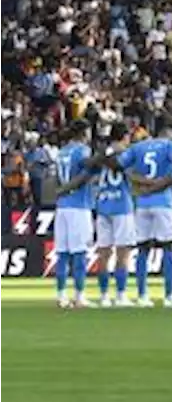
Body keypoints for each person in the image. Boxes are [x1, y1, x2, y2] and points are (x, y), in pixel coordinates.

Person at [117, 124, 172, 307]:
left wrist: (141, 183)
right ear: (170, 136)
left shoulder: (138, 147)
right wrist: (157, 184)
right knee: (169, 247)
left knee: (143, 248)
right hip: (163, 203)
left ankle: (142, 295)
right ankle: (169, 295)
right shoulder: (169, 146)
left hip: (142, 203)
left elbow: (121, 166)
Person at [94, 124, 137, 307]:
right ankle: (120, 295)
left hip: (103, 205)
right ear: (125, 136)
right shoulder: (127, 154)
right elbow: (132, 176)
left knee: (103, 252)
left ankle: (104, 296)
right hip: (122, 206)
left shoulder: (102, 155)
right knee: (123, 253)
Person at [53, 121, 95, 308]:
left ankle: (61, 296)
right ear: (85, 132)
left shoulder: (62, 152)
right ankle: (79, 296)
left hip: (62, 208)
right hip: (78, 206)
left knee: (62, 253)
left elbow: (55, 179)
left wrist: (60, 191)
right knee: (79, 253)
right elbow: (84, 175)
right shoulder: (83, 150)